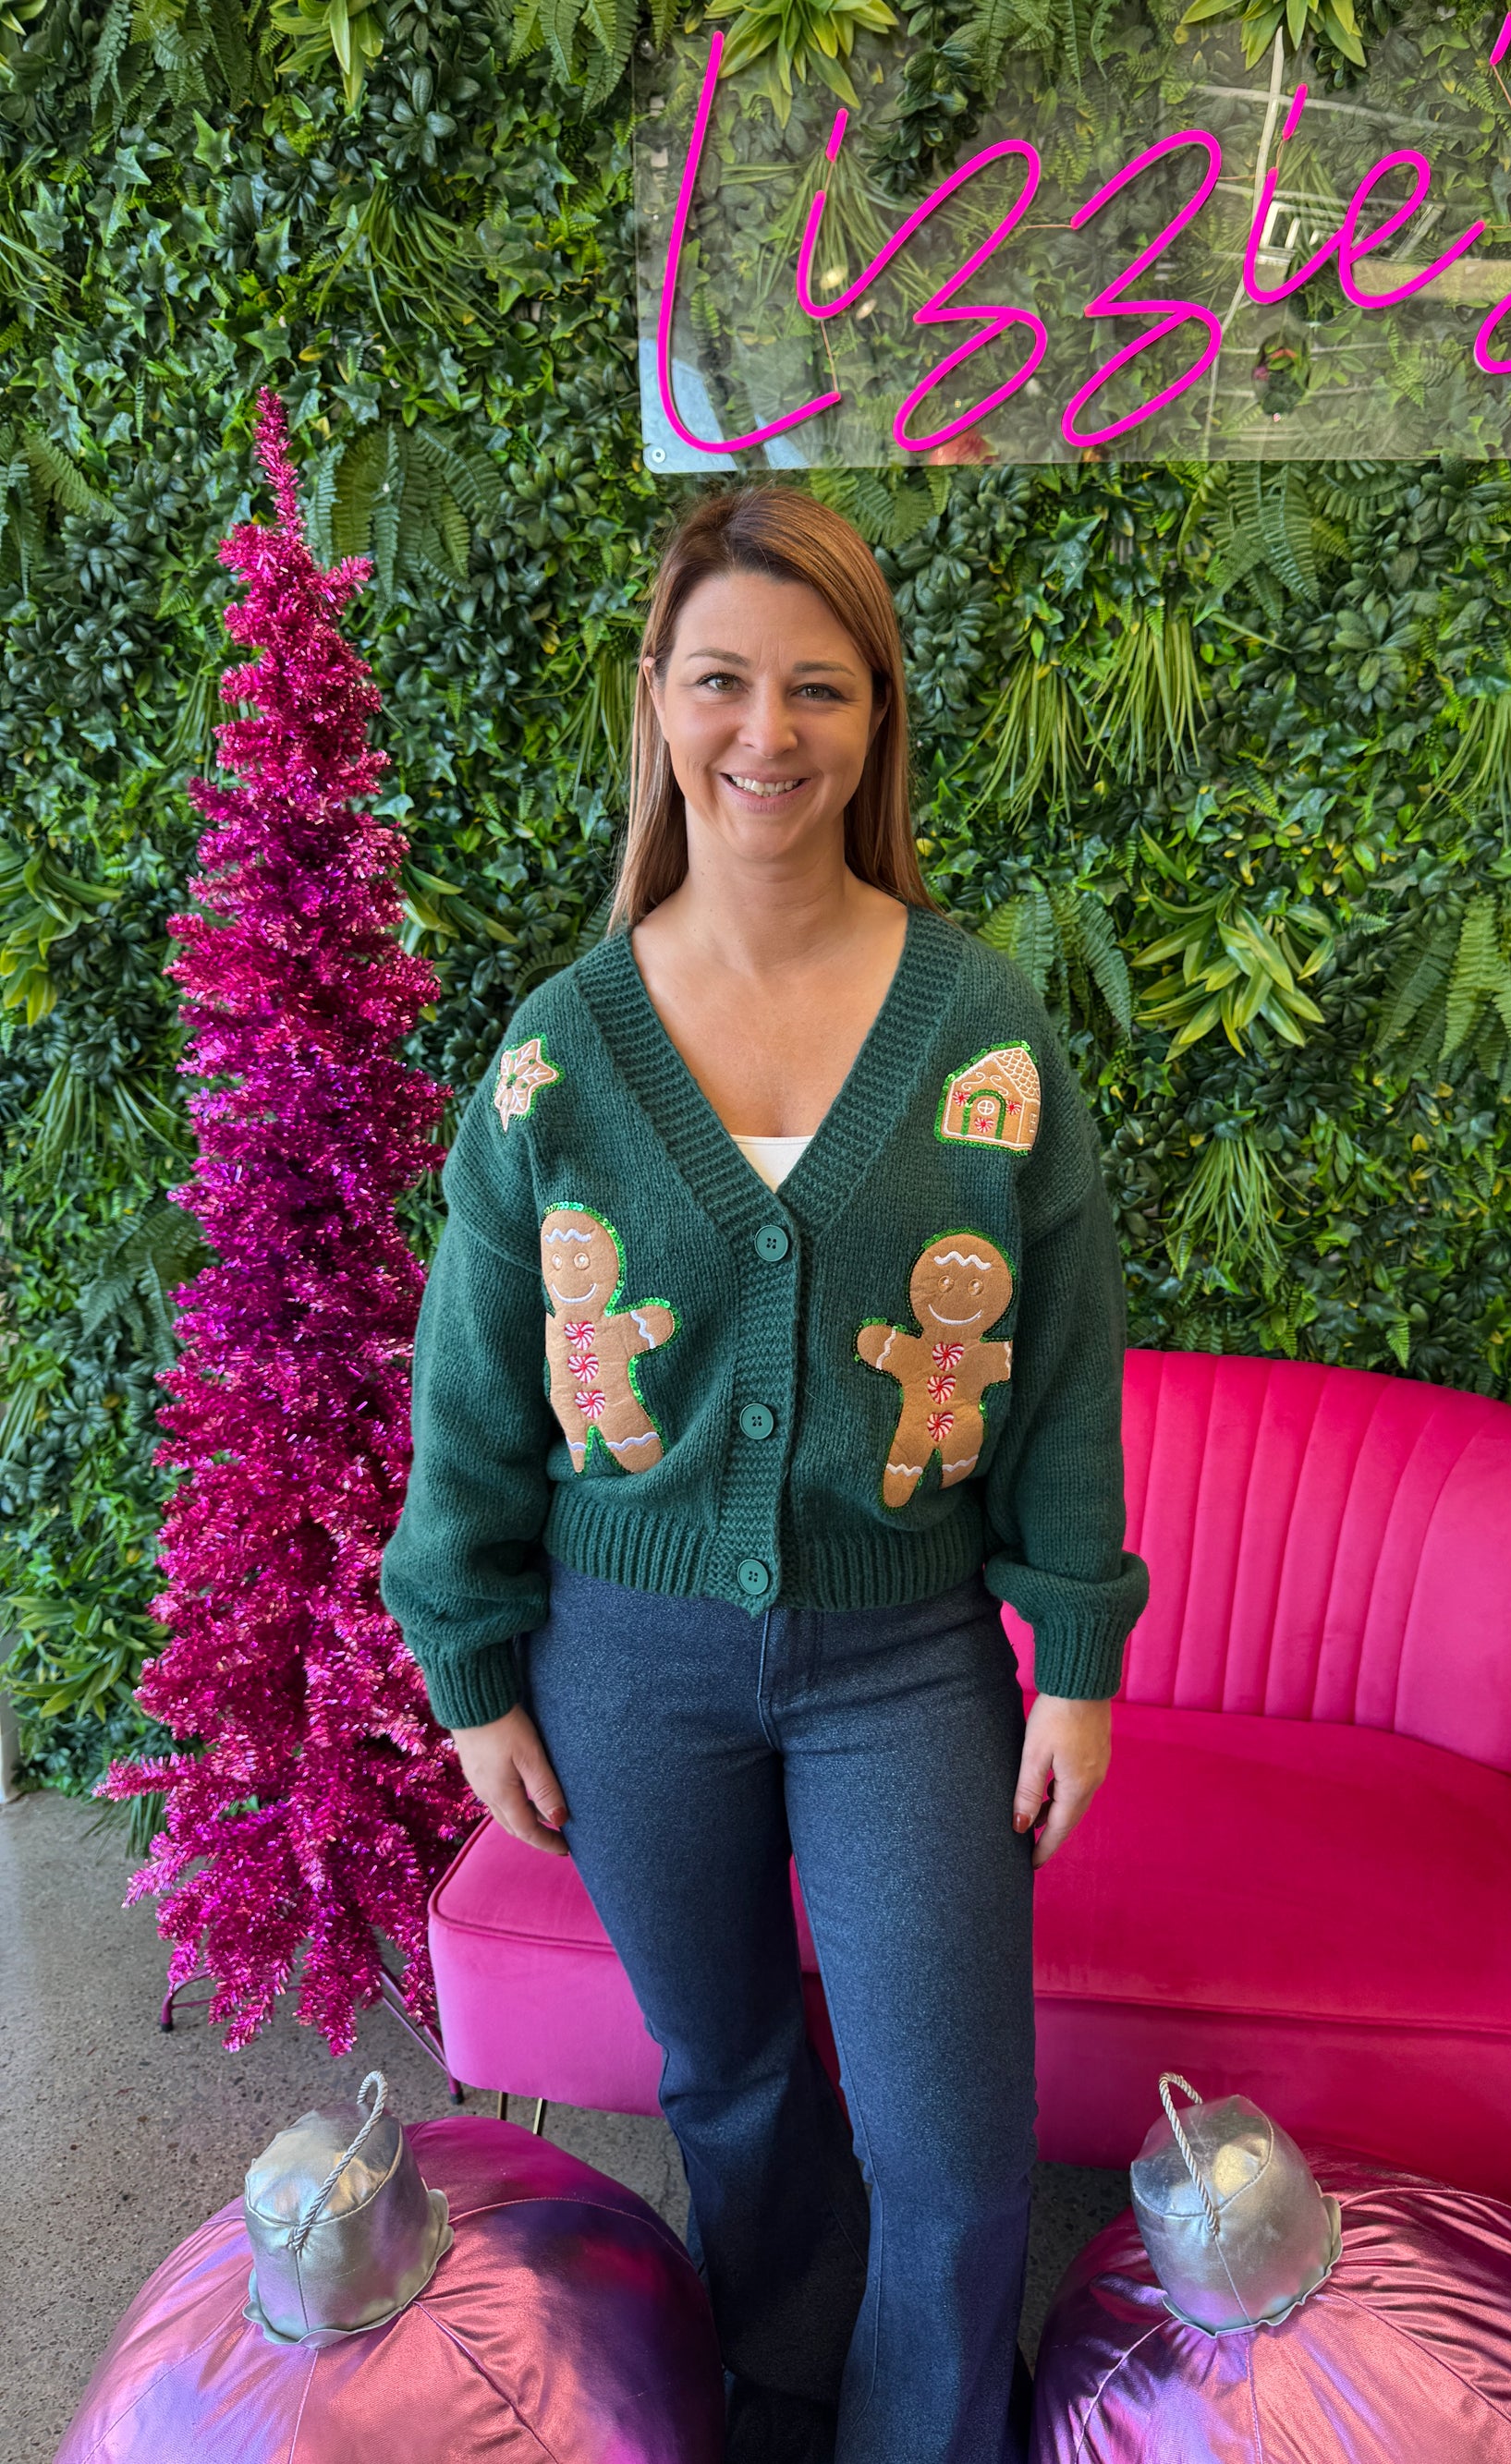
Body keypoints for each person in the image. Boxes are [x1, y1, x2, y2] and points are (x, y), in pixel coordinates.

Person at [380, 486, 1148, 2464]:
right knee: (726, 2079)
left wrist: (1074, 1659)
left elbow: (1062, 1366)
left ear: (876, 719)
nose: (768, 730)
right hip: (626, 1661)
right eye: (722, 679)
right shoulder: (558, 1057)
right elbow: (476, 1385)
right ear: (658, 699)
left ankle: (921, 2437)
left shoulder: (983, 1035)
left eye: (820, 687)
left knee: (954, 2143)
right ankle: (783, 2391)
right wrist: (470, 1667)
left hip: (905, 1659)